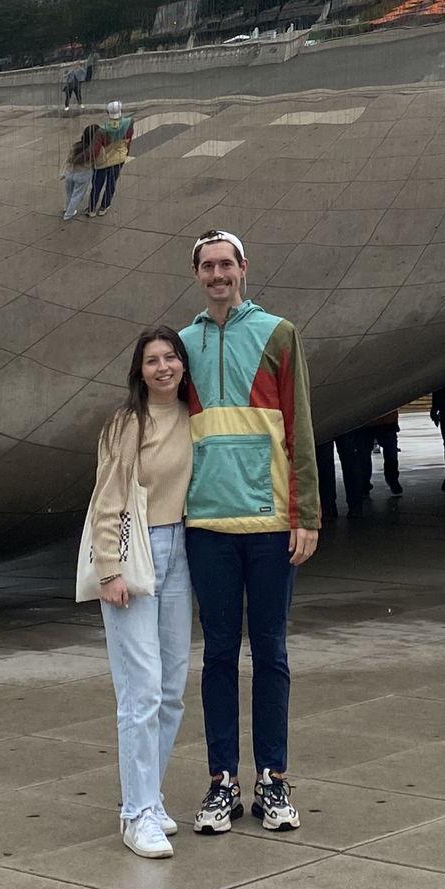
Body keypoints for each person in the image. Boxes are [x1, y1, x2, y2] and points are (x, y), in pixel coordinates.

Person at [179, 231, 318, 834]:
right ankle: (221, 782)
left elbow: (301, 427)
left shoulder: (279, 333)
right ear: (197, 274)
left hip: (269, 524)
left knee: (271, 652)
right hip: (206, 523)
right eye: (207, 266)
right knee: (216, 656)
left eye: (225, 264)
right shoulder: (181, 346)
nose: (217, 274)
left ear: (243, 268)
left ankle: (273, 779)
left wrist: (306, 514)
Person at [85, 325, 194, 858]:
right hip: (137, 551)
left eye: (170, 357)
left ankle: (150, 796)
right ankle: (135, 814)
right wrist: (109, 568)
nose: (163, 367)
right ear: (139, 370)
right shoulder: (128, 423)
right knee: (140, 691)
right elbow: (107, 500)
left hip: (183, 553)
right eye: (152, 360)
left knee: (171, 687)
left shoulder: (195, 418)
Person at [88, 102, 135, 217]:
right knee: (111, 182)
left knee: (97, 184)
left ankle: (92, 208)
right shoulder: (129, 123)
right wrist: (126, 152)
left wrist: (88, 160)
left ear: (107, 113)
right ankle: (104, 206)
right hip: (119, 158)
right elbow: (128, 140)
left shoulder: (101, 130)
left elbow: (96, 149)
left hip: (103, 162)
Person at [333, 424, 376, 516]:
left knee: (325, 463)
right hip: (347, 423)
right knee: (351, 462)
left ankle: (328, 507)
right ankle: (355, 505)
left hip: (327, 422)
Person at [62, 125, 100, 222]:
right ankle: (69, 214)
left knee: (69, 193)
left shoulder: (76, 145)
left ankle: (67, 208)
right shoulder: (93, 149)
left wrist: (64, 172)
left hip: (70, 172)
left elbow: (68, 159)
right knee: (78, 194)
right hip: (83, 173)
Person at [368, 406, 403, 496]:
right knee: (391, 453)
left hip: (375, 422)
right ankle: (392, 481)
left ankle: (364, 484)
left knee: (364, 456)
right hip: (385, 421)